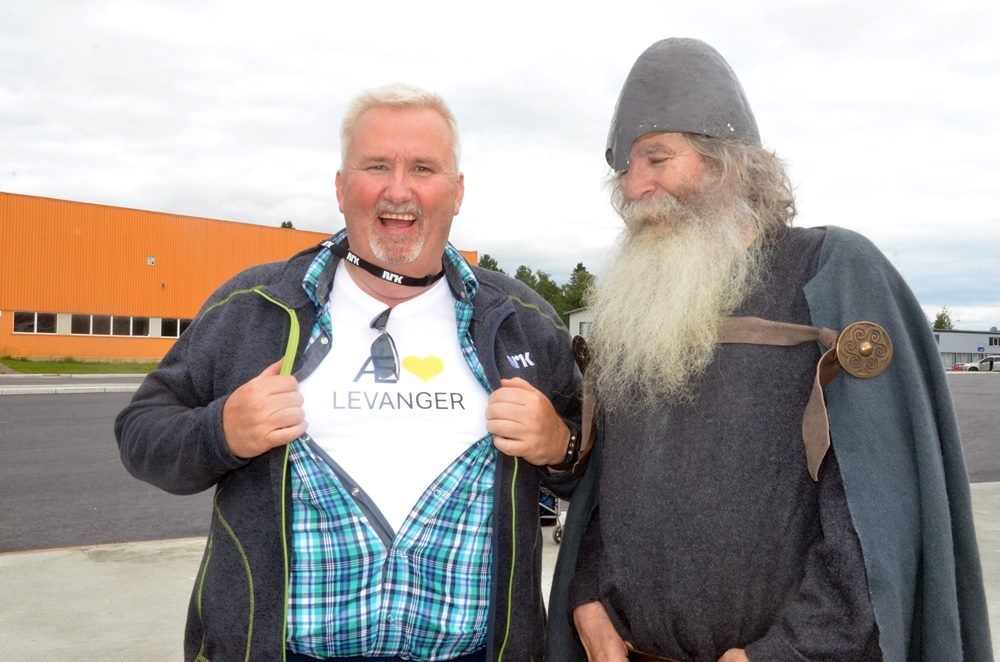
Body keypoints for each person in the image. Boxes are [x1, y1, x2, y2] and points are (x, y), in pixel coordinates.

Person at [547, 38, 992, 662]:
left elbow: (877, 515)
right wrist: (587, 597)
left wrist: (787, 653)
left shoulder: (830, 273)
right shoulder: (640, 305)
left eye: (655, 159)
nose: (634, 186)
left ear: (727, 162)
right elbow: (612, 490)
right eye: (623, 168)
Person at [116, 84, 582, 662]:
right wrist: (221, 432)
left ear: (457, 191)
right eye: (376, 166)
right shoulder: (253, 306)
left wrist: (559, 446)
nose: (398, 190)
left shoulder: (521, 320)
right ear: (341, 187)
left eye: (423, 168)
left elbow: (593, 470)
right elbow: (140, 433)